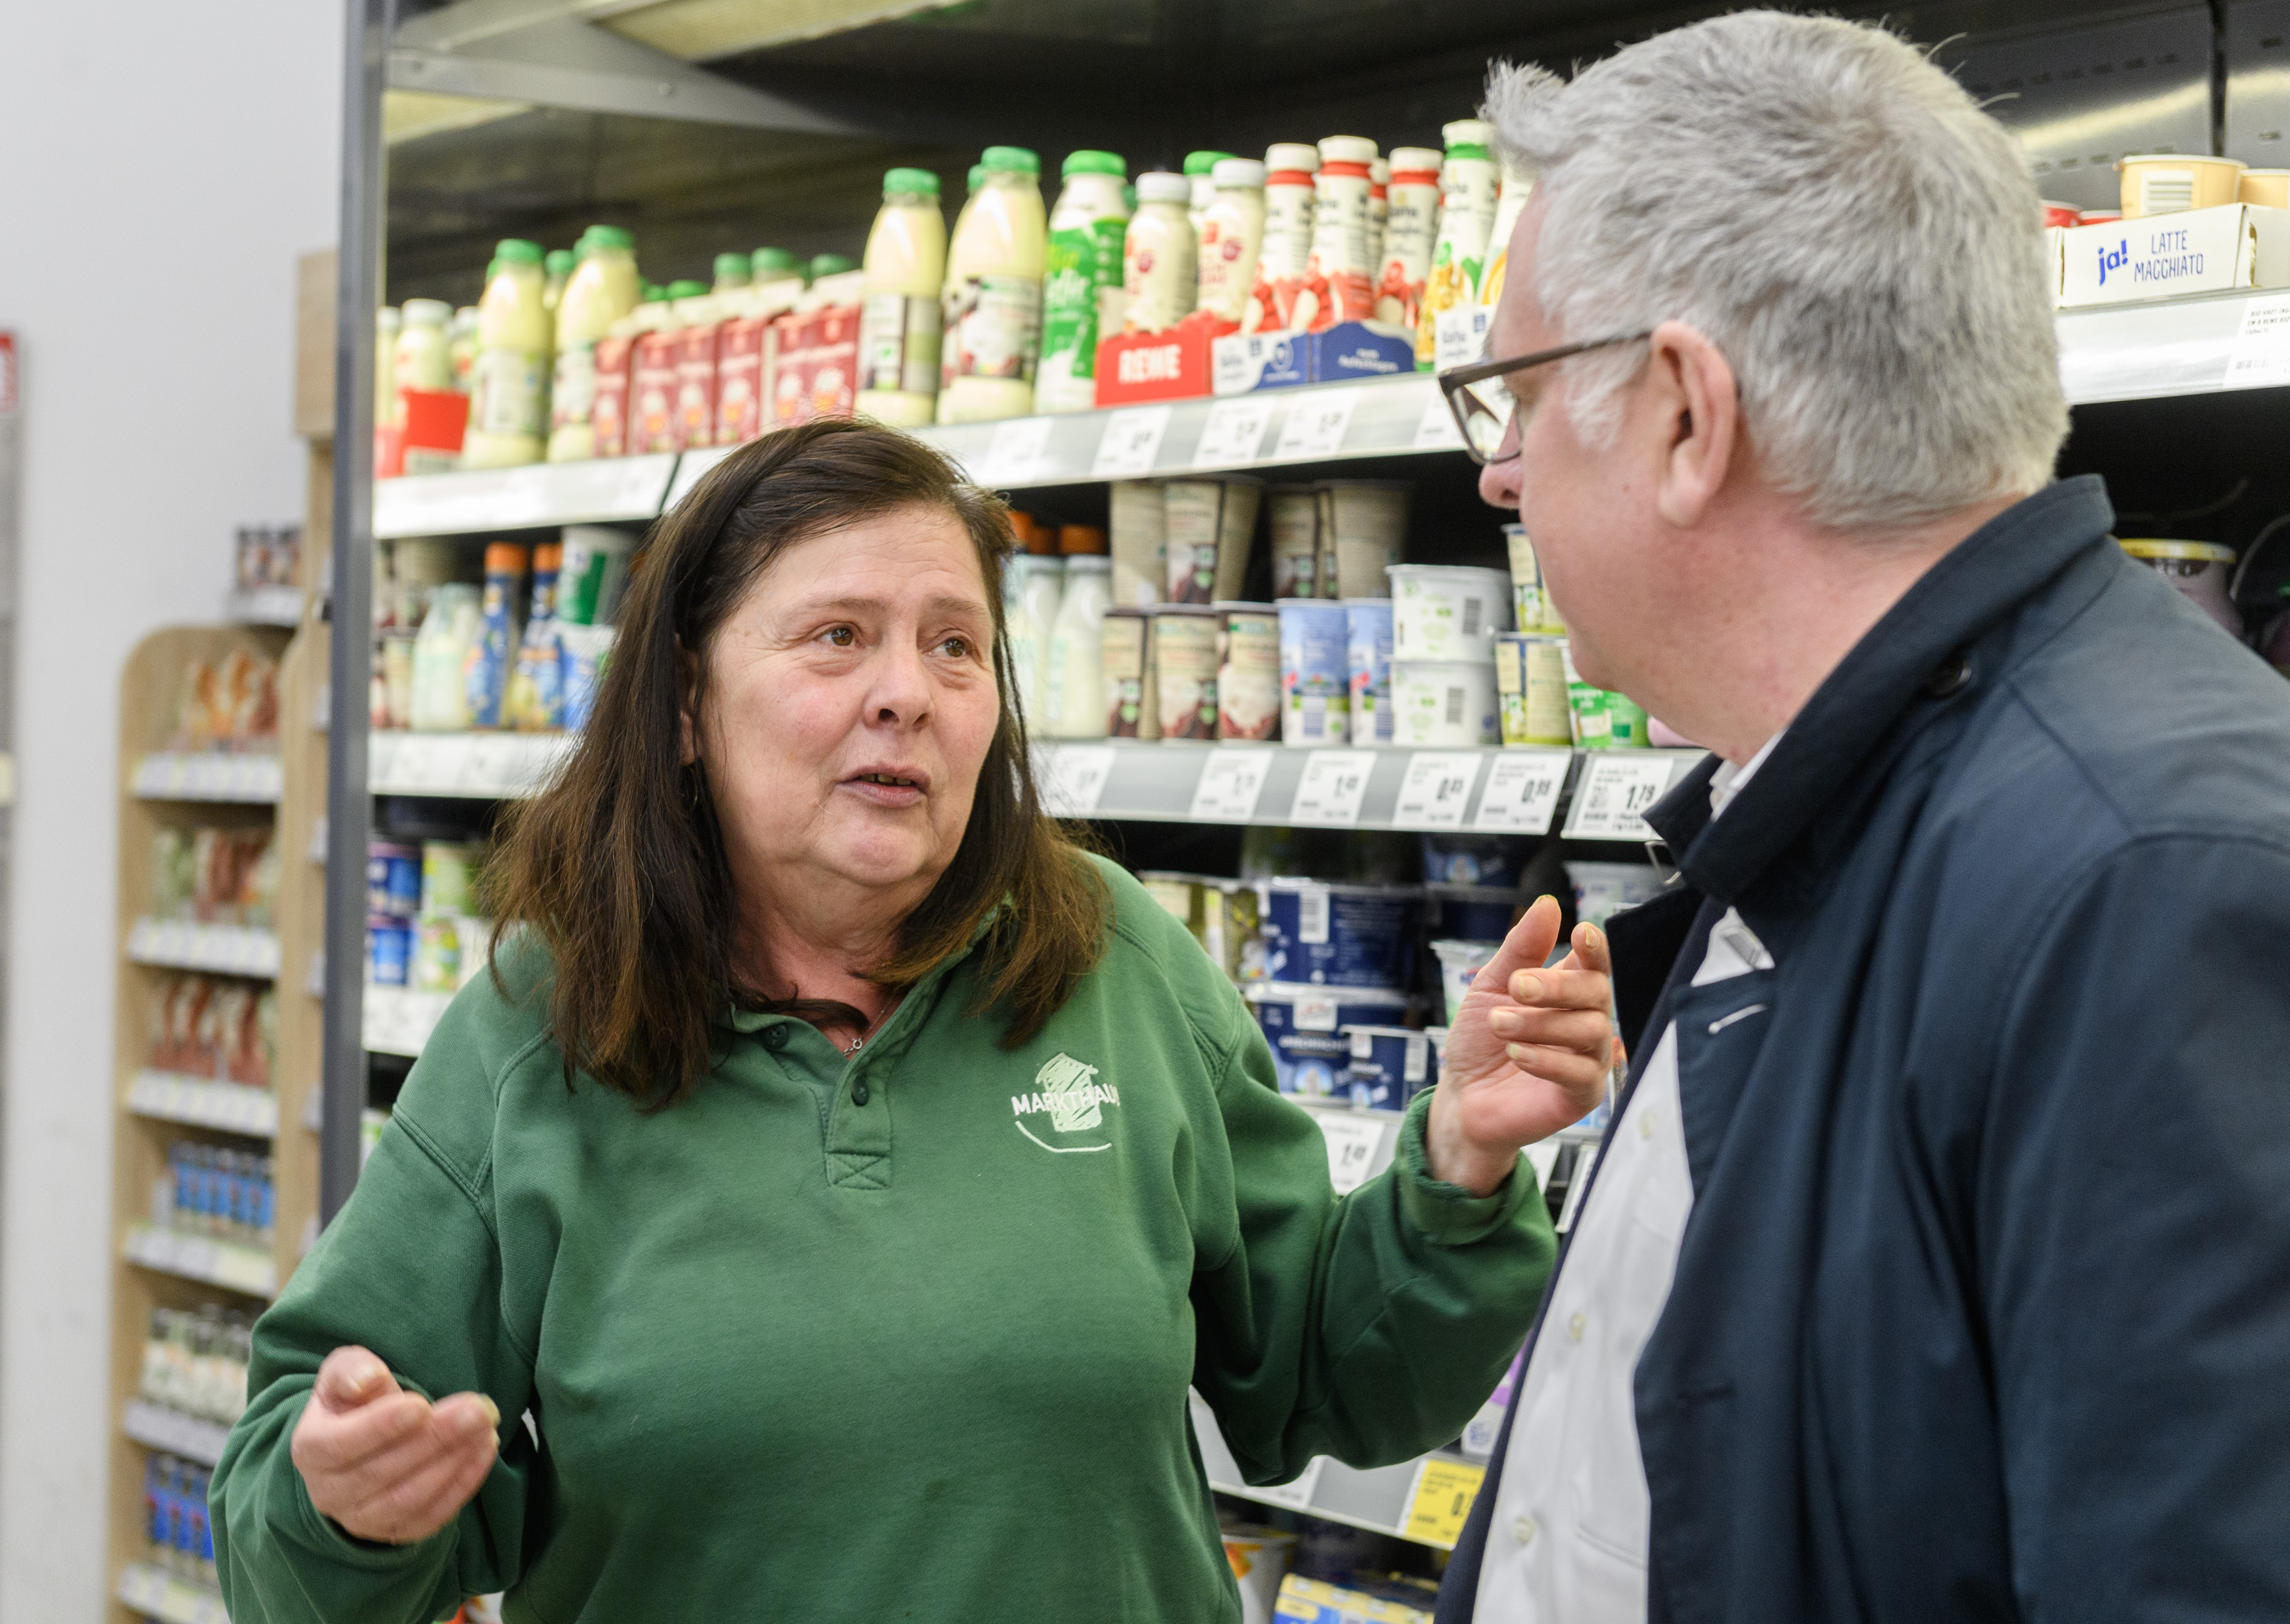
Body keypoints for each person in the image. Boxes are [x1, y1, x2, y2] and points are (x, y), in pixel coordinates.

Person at [210, 419, 1618, 1622]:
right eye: (837, 637)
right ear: (687, 701)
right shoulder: (548, 1023)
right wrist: (346, 1503)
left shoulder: (1116, 957)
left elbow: (1324, 1380)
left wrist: (1458, 1165)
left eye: (955, 646)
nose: (906, 693)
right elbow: (290, 1511)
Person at [1427, 13, 2290, 1623]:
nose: (1499, 476)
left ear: (1684, 414)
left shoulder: (2151, 880)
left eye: (1513, 400)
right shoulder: (1828, 810)